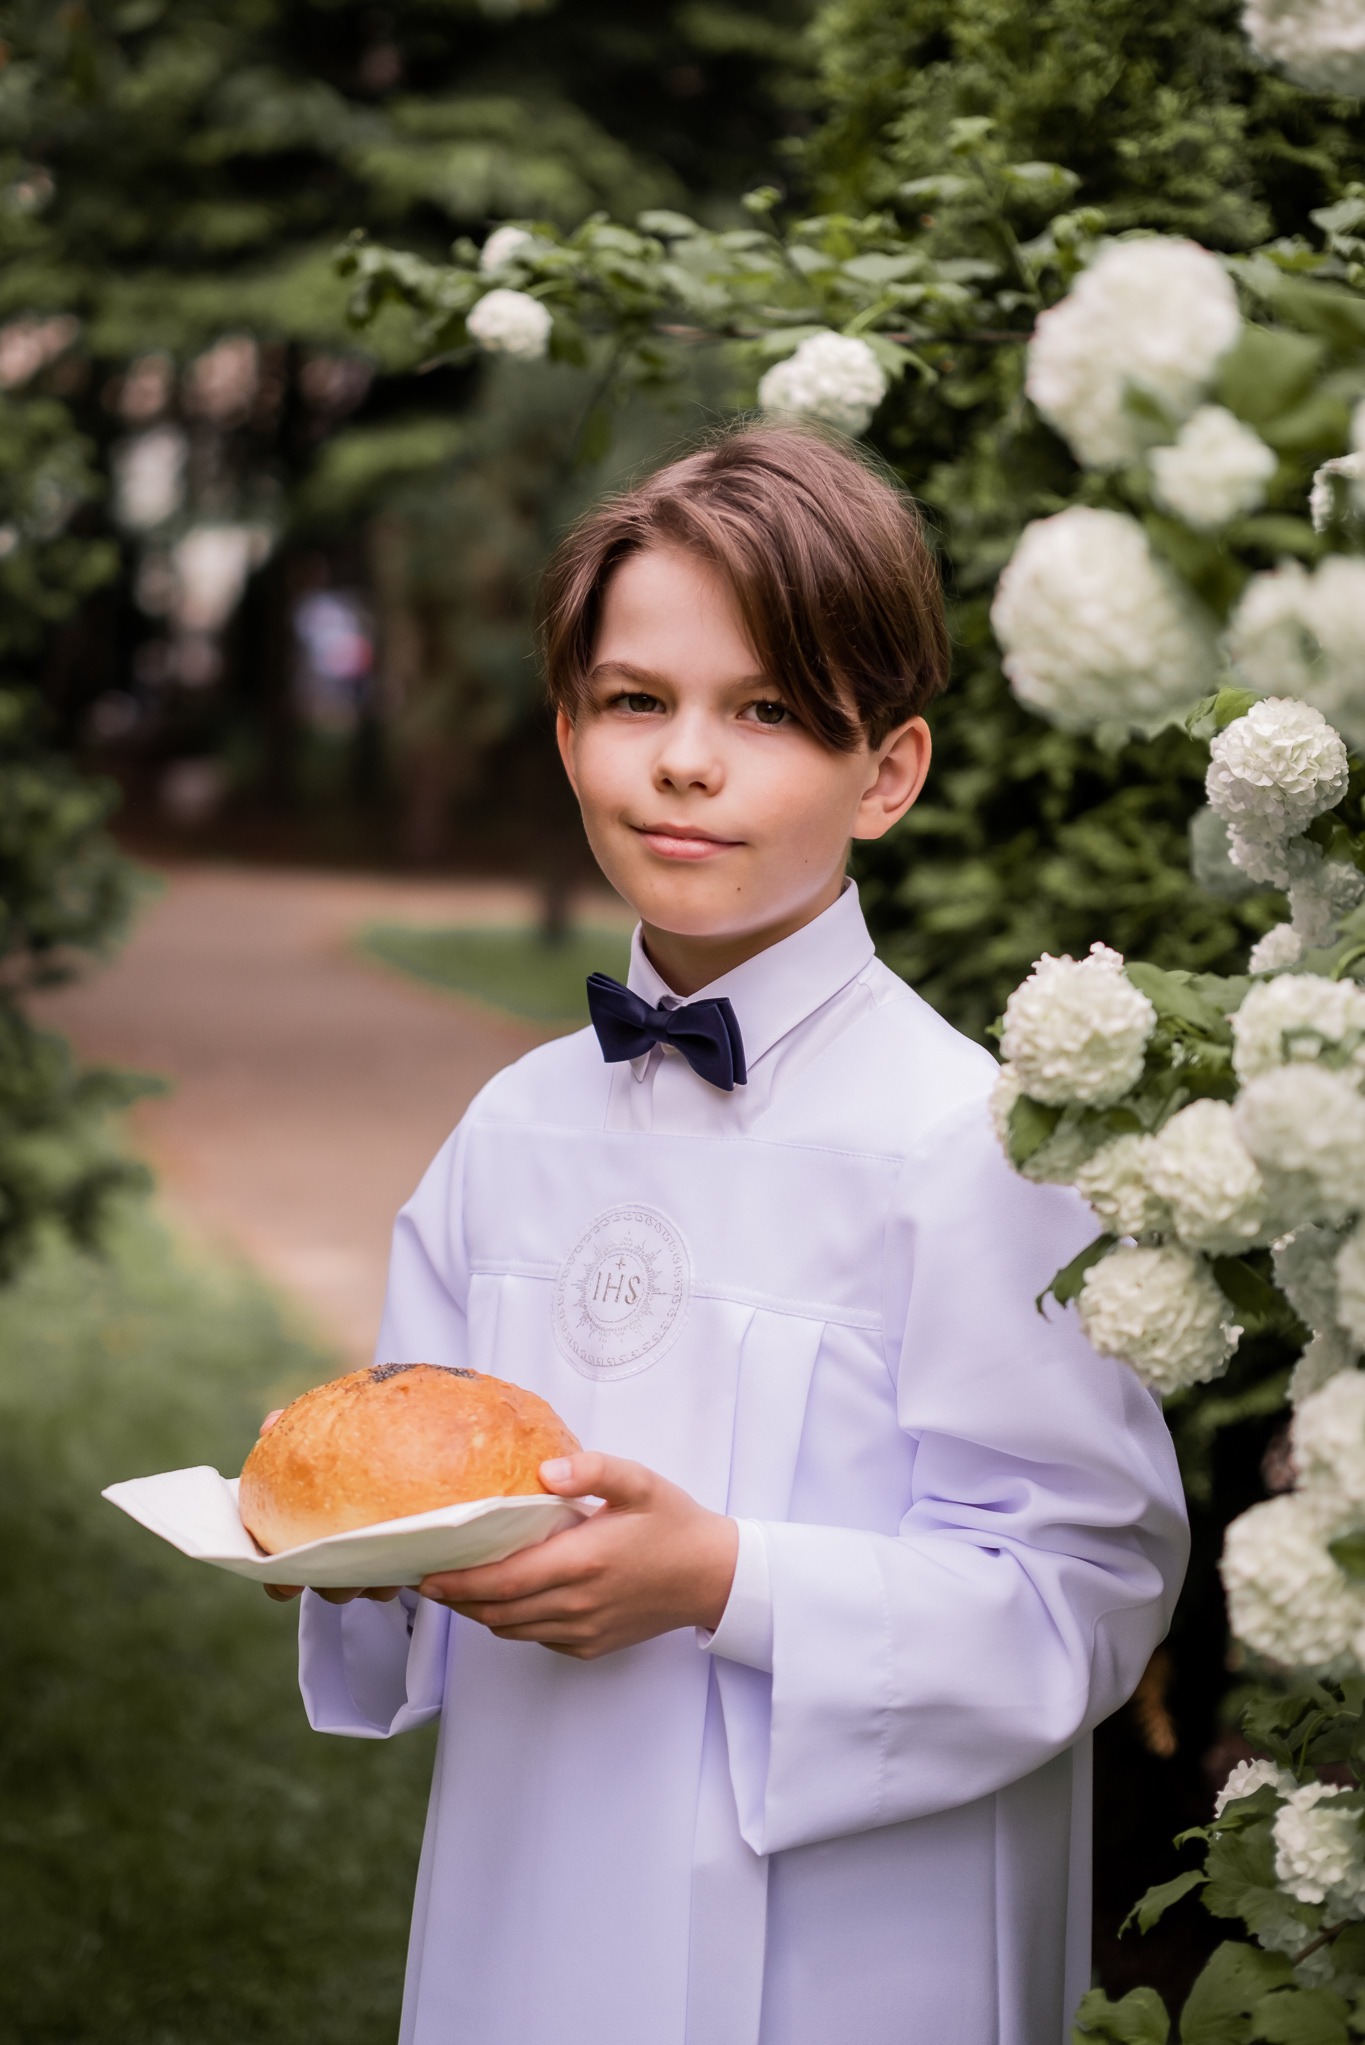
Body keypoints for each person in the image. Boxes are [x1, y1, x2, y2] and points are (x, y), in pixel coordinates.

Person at [271, 424, 1188, 2045]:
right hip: (531, 1877)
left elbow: (1082, 1588)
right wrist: (347, 1565)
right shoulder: (510, 1131)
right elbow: (416, 1501)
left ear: (885, 772)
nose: (685, 761)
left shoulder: (968, 1144)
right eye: (636, 700)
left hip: (855, 1935)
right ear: (569, 735)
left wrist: (722, 1578)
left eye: (765, 710)